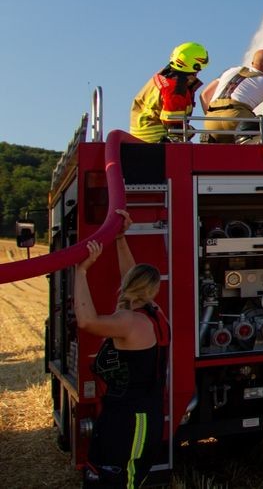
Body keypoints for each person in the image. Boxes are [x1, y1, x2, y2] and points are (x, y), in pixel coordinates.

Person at [73, 209, 170, 488]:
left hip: (131, 420)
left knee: (122, 482)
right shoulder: (155, 312)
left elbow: (87, 320)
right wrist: (119, 238)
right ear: (152, 290)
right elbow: (131, 277)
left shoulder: (129, 322)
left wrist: (81, 271)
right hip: (137, 414)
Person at [130, 42, 208, 143]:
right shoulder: (177, 88)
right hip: (154, 140)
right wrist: (191, 131)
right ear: (195, 66)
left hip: (139, 134)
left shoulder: (163, 76)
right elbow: (174, 125)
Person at [199, 49, 263, 143]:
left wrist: (214, 117)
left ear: (252, 63)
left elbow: (204, 95)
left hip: (211, 121)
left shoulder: (230, 71)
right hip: (237, 121)